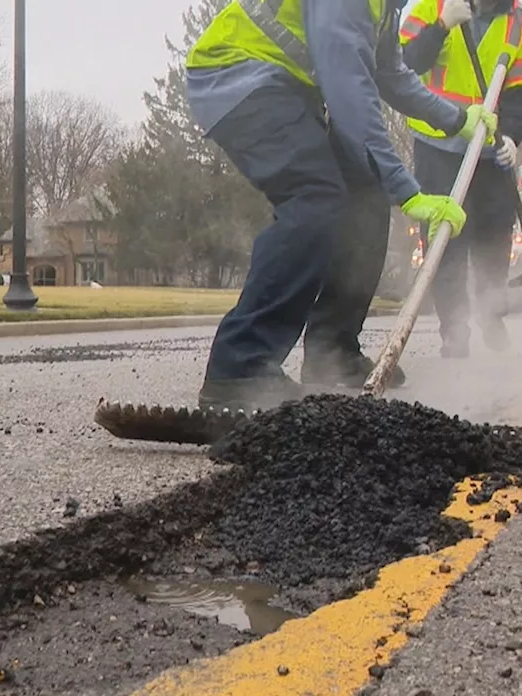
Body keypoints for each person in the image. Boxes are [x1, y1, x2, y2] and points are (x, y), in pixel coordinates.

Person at [185, 0, 498, 411]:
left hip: (283, 85)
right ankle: (239, 365)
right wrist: (408, 191)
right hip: (238, 74)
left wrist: (457, 119)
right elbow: (350, 94)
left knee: (365, 192)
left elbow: (389, 73)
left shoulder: (383, 7)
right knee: (315, 197)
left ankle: (332, 350)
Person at [400, 0, 522, 358]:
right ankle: (454, 329)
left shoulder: (519, 23)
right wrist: (441, 27)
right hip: (438, 143)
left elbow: (521, 92)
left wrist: (512, 136)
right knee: (445, 238)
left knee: (494, 235)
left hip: (490, 148)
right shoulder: (432, 7)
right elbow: (408, 63)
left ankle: (491, 313)